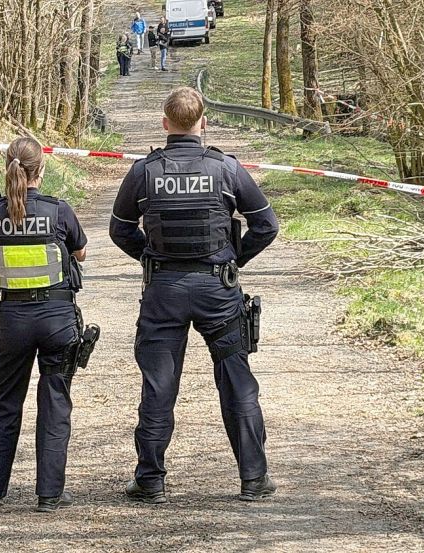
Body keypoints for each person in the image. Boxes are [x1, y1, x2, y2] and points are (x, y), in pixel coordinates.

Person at [109, 87, 280, 503]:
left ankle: (150, 481)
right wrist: (233, 259)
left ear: (164, 123)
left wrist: (150, 255)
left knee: (158, 385)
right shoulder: (227, 169)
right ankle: (254, 478)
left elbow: (120, 229)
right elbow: (266, 226)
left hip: (164, 291)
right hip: (217, 290)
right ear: (203, 122)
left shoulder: (144, 172)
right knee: (237, 380)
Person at [0, 137, 89, 513]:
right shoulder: (58, 210)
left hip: (13, 322)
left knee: (5, 403)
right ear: (42, 169)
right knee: (55, 403)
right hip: (57, 320)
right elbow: (81, 251)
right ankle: (50, 493)